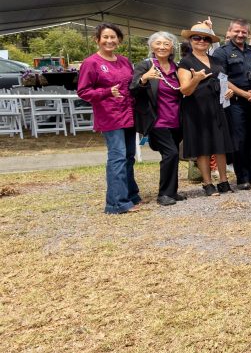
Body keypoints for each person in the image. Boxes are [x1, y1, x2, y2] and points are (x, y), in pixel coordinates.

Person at [77, 23, 141, 214]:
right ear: (97, 40)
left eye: (113, 37)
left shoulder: (124, 61)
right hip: (110, 116)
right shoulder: (91, 63)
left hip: (129, 114)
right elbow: (83, 91)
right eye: (105, 37)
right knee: (117, 157)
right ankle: (117, 203)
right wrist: (106, 92)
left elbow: (132, 84)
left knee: (129, 156)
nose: (109, 41)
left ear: (119, 40)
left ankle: (130, 195)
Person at [178, 23, 235, 196]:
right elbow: (185, 90)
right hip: (197, 109)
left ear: (210, 42)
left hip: (218, 108)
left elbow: (224, 82)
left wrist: (229, 92)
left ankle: (224, 181)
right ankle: (208, 183)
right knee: (202, 146)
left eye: (205, 38)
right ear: (190, 40)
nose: (201, 41)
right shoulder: (185, 62)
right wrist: (196, 79)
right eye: (197, 37)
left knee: (220, 145)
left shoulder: (216, 61)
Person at [130, 31, 184, 206]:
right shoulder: (145, 66)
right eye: (158, 43)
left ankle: (173, 192)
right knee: (171, 153)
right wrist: (144, 79)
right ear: (151, 46)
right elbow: (132, 89)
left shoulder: (176, 67)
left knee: (173, 155)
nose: (162, 47)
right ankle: (164, 194)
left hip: (176, 118)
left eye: (166, 44)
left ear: (171, 48)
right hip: (157, 119)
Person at [212, 18, 251, 190]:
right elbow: (222, 78)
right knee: (239, 140)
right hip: (235, 102)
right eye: (237, 31)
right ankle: (243, 178)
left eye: (244, 32)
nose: (240, 34)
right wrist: (243, 94)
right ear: (230, 31)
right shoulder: (221, 52)